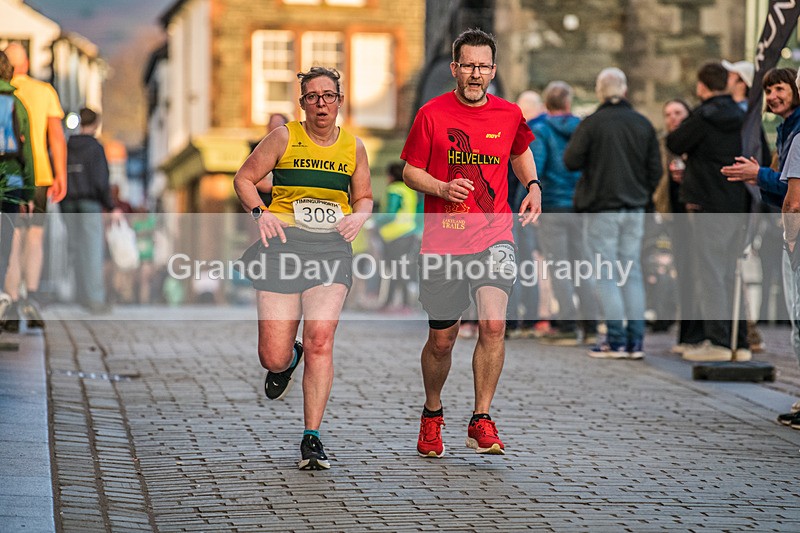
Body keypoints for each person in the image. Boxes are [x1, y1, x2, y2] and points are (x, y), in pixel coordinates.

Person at [401, 28, 541, 458]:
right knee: (443, 340)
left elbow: (519, 152)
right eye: (469, 66)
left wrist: (533, 185)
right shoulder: (431, 114)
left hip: (494, 233)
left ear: (493, 70)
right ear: (455, 69)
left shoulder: (509, 113)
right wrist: (442, 189)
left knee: (494, 325)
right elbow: (410, 171)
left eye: (483, 66)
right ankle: (432, 413)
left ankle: (481, 417)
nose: (476, 74)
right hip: (444, 240)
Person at [233, 67, 372, 470]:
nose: (321, 103)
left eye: (329, 96)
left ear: (340, 101)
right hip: (283, 248)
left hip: (331, 250)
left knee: (320, 338)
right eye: (313, 97)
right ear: (303, 104)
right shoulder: (283, 137)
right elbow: (244, 179)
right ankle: (287, 361)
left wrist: (359, 218)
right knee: (272, 356)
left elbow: (363, 198)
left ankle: (312, 437)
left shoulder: (354, 147)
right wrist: (261, 213)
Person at [564, 67, 662, 359]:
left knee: (606, 274)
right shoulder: (642, 124)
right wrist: (640, 192)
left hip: (601, 208)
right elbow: (655, 170)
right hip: (634, 208)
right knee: (631, 272)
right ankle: (635, 341)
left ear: (599, 92)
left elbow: (570, 160)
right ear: (625, 91)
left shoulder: (592, 124)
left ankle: (616, 340)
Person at [724, 68, 800, 426]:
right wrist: (762, 176)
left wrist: (760, 177)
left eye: (780, 88)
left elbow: (794, 194)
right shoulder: (786, 129)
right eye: (768, 90)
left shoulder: (797, 131)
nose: (772, 96)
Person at [666, 61, 751, 362]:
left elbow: (674, 141)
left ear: (702, 86)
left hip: (707, 204)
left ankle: (716, 340)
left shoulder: (704, 114)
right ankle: (738, 343)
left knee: (711, 273)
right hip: (737, 203)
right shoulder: (743, 115)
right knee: (731, 273)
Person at [2, 42, 67, 332]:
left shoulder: (5, 92)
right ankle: (31, 296)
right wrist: (61, 174)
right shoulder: (44, 91)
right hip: (40, 174)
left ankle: (11, 300)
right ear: (26, 64)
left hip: (11, 176)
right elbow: (56, 136)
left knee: (12, 239)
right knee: (35, 238)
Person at [530, 80, 599, 345]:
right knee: (583, 266)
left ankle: (568, 326)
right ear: (568, 103)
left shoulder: (540, 130)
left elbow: (534, 169)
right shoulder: (583, 129)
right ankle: (591, 326)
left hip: (553, 207)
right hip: (581, 206)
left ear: (547, 104)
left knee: (559, 267)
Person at [62, 108, 117, 313]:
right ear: (94, 124)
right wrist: (110, 205)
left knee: (75, 247)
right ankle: (95, 299)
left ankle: (81, 295)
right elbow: (101, 180)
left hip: (67, 201)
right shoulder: (95, 147)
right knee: (92, 249)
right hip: (89, 202)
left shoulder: (67, 145)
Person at [0, 50, 34, 322]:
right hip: (11, 180)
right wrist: (29, 191)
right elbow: (28, 151)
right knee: (6, 242)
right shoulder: (17, 103)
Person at [376, 161, 419, 312]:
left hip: (395, 235)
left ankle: (392, 303)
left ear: (391, 175)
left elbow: (390, 213)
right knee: (401, 269)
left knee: (394, 269)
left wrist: (373, 221)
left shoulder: (394, 189)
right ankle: (403, 304)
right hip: (409, 233)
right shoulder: (409, 190)